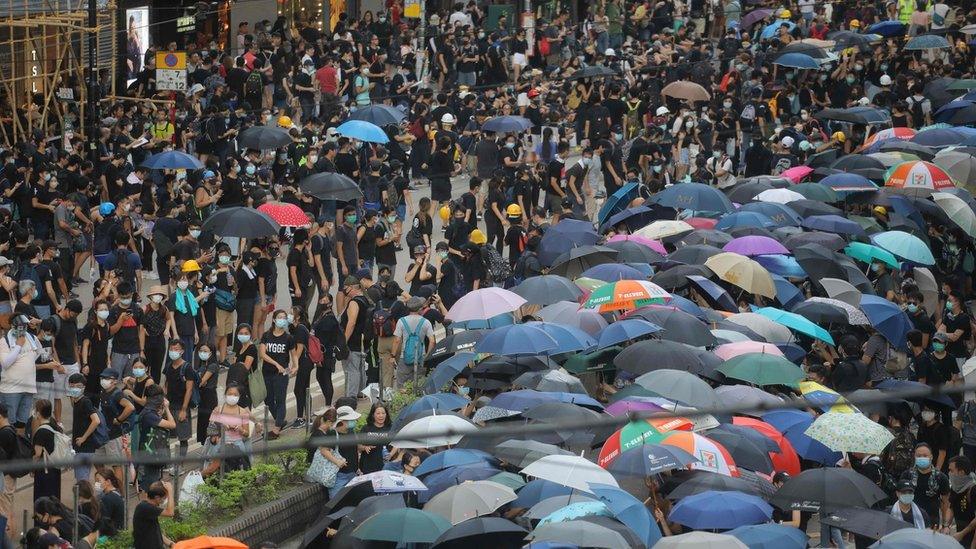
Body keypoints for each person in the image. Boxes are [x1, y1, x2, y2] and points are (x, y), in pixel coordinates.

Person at [259, 310, 296, 439]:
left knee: (280, 400)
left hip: (282, 374)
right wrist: (276, 364)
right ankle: (279, 420)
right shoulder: (266, 336)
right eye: (280, 317)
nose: (282, 320)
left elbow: (293, 354)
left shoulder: (288, 338)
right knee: (268, 399)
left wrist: (295, 366)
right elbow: (262, 354)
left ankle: (276, 429)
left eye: (284, 318)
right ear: (274, 320)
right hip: (267, 372)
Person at [901, 443, 950, 529]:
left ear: (931, 457)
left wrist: (945, 525)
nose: (922, 458)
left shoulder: (941, 478)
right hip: (910, 519)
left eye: (925, 455)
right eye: (918, 456)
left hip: (931, 520)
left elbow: (945, 503)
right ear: (914, 457)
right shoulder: (907, 475)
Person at [392, 297, 435, 388]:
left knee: (402, 385)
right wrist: (427, 355)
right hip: (420, 357)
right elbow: (432, 341)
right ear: (420, 308)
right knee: (419, 385)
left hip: (405, 357)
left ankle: (403, 402)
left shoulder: (401, 321)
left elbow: (397, 340)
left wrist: (393, 356)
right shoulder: (426, 322)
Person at [161, 339, 194, 456]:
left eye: (176, 349)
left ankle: (181, 463)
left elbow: (189, 390)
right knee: (166, 435)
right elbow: (166, 385)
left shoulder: (187, 368)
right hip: (169, 407)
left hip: (181, 407)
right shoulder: (169, 366)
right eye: (171, 349)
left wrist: (184, 410)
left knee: (183, 437)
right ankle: (167, 462)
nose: (173, 352)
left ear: (182, 351)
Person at [66, 373, 100, 481]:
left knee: (82, 479)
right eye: (72, 386)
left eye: (78, 386)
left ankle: (85, 497)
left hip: (86, 447)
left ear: (83, 387)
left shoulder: (85, 402)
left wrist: (83, 438)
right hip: (79, 447)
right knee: (80, 478)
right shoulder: (77, 402)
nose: (75, 388)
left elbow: (96, 420)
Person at [31, 399, 62, 502]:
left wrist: (32, 468)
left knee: (42, 500)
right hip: (55, 468)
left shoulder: (41, 432)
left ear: (39, 413)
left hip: (44, 471)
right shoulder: (54, 425)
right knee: (54, 498)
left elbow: (37, 454)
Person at [132, 481, 175, 549]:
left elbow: (155, 531)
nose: (165, 500)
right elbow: (170, 513)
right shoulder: (146, 508)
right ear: (157, 498)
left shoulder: (148, 508)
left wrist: (170, 543)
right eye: (164, 497)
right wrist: (170, 492)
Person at [358, 403, 391, 474]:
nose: (381, 416)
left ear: (386, 414)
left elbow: (397, 445)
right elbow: (358, 446)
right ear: (373, 415)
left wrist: (391, 454)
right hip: (368, 466)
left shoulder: (390, 428)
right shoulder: (366, 428)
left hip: (386, 466)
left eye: (383, 413)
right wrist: (365, 447)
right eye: (378, 413)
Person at [95, 469, 124, 536]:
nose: (96, 484)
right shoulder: (117, 493)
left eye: (98, 480)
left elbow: (105, 522)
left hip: (112, 535)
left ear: (108, 482)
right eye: (95, 481)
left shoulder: (107, 499)